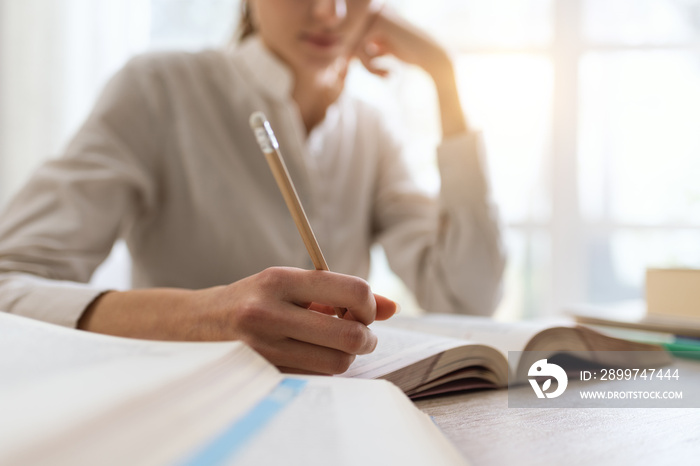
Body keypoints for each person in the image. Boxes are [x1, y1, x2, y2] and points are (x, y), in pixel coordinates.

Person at [0, 0, 505, 375]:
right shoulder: (159, 89)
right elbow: (8, 288)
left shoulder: (372, 130)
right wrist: (207, 317)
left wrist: (445, 79)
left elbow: (467, 299)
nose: (328, 11)